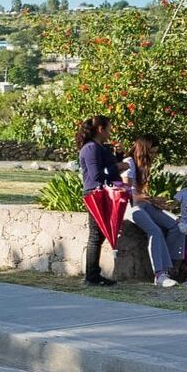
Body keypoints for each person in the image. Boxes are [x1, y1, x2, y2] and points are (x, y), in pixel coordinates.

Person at [121, 135, 182, 288]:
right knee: (154, 231)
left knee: (176, 225)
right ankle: (160, 274)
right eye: (152, 152)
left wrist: (154, 200)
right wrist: (152, 200)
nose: (154, 156)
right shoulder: (128, 163)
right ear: (144, 150)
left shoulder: (142, 165)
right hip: (131, 206)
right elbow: (126, 193)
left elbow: (140, 193)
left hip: (142, 203)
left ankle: (173, 268)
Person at [77, 116, 120, 286]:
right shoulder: (90, 148)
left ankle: (94, 273)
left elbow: (109, 167)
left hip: (102, 192)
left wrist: (119, 156)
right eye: (108, 129)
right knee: (95, 235)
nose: (110, 133)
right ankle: (91, 276)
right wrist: (116, 168)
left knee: (100, 235)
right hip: (95, 194)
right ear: (100, 129)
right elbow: (96, 175)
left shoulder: (99, 147)